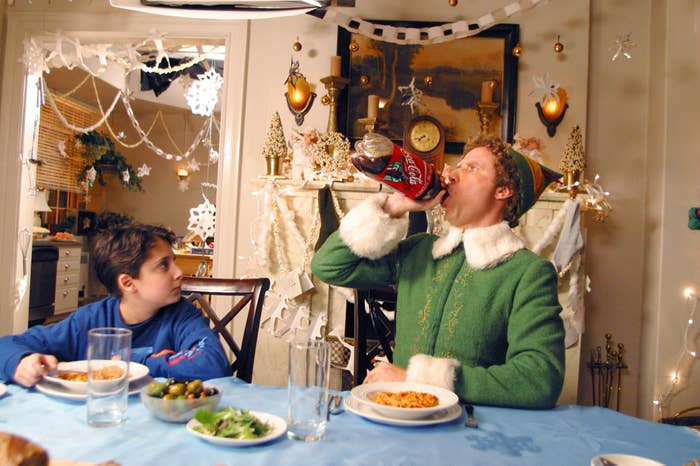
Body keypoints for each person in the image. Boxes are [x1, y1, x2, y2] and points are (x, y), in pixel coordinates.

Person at [311, 135, 565, 409]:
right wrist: (392, 208)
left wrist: (419, 380)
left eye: (472, 168)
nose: (451, 174)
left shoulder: (527, 272)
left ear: (503, 190)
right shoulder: (420, 250)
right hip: (397, 418)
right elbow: (327, 266)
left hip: (468, 431)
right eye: (457, 166)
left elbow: (540, 379)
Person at [0, 224, 232, 388]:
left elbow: (212, 363)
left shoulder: (182, 315)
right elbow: (7, 345)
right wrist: (20, 362)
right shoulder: (90, 320)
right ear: (128, 282)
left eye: (174, 262)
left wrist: (131, 361)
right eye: (164, 265)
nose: (179, 273)